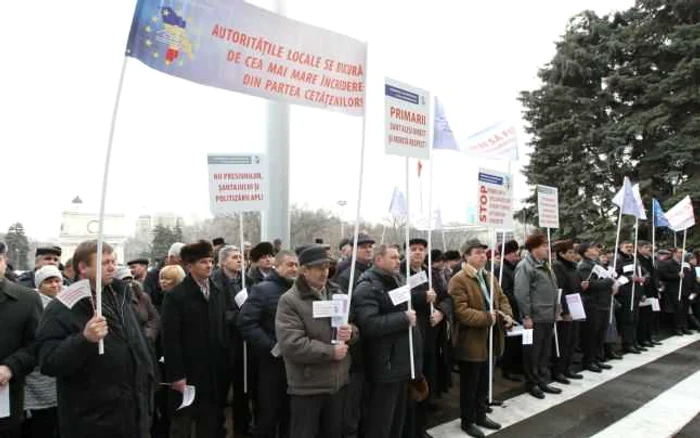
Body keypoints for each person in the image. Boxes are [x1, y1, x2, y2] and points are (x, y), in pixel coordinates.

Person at [36, 240, 155, 438]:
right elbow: (49, 362)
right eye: (105, 262)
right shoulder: (62, 307)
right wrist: (84, 340)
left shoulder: (121, 295)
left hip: (133, 414)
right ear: (83, 267)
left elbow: (136, 346)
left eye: (114, 261)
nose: (112, 267)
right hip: (94, 420)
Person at [275, 245, 355, 438]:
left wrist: (351, 332)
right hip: (308, 385)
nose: (324, 272)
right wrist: (330, 351)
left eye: (327, 267)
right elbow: (291, 343)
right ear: (304, 270)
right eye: (319, 268)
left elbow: (351, 324)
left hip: (337, 382)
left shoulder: (337, 292)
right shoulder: (290, 300)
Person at [161, 240, 231, 438]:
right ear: (189, 266)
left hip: (215, 370)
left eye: (211, 261)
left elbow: (222, 328)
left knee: (212, 421)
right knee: (185, 423)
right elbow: (170, 339)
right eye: (203, 262)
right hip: (190, 370)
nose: (209, 265)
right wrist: (177, 375)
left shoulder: (217, 291)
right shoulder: (176, 296)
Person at [354, 244, 423, 438]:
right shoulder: (368, 287)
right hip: (386, 365)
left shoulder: (398, 280)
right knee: (381, 421)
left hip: (402, 363)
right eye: (393, 257)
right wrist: (403, 319)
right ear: (378, 260)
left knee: (398, 420)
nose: (398, 261)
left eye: (398, 258)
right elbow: (368, 324)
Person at [449, 239, 513, 438]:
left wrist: (506, 315)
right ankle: (467, 420)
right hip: (471, 340)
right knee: (470, 384)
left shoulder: (489, 276)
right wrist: (487, 317)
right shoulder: (459, 280)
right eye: (476, 252)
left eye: (483, 252)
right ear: (466, 256)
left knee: (485, 381)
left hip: (491, 337)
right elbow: (461, 311)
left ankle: (480, 414)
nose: (482, 255)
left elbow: (502, 299)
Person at [239, 250, 299, 438]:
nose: (294, 269)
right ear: (278, 265)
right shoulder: (263, 289)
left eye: (297, 265)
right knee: (269, 415)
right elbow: (246, 323)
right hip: (271, 363)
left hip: (296, 363)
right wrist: (272, 346)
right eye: (290, 265)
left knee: (291, 416)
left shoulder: (300, 290)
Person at [0, 242, 42, 438]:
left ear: (4, 261)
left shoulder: (26, 300)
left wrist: (11, 367)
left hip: (6, 401)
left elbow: (37, 345)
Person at [514, 233, 562, 399]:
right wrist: (526, 316)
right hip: (534, 318)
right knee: (532, 353)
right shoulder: (525, 267)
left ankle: (542, 380)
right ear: (534, 248)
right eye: (544, 246)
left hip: (547, 315)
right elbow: (521, 293)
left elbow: (554, 289)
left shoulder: (545, 265)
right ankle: (532, 383)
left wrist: (557, 310)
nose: (547, 249)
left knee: (544, 351)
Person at [211, 245, 252, 438]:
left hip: (244, 345)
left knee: (242, 392)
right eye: (235, 257)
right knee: (220, 394)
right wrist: (239, 317)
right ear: (223, 261)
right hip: (223, 344)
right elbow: (218, 313)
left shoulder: (248, 281)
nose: (240, 260)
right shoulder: (214, 282)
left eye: (241, 257)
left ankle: (242, 430)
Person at [22, 266, 63, 438]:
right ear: (38, 285)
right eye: (48, 282)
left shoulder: (67, 302)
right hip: (37, 378)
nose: (54, 285)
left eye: (57, 280)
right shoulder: (31, 305)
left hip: (59, 378)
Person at [576, 243, 616, 373]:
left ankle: (597, 358)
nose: (597, 250)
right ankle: (589, 360)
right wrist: (609, 282)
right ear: (586, 252)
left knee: (599, 334)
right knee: (591, 334)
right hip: (593, 304)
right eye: (593, 248)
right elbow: (590, 285)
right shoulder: (584, 267)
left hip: (603, 303)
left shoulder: (596, 265)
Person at [550, 240, 584, 384]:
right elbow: (560, 290)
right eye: (569, 252)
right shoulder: (558, 266)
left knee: (572, 340)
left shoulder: (573, 267)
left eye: (573, 252)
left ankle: (567, 368)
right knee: (563, 341)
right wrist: (564, 311)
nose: (572, 255)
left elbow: (575, 285)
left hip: (575, 305)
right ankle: (558, 370)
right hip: (566, 308)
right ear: (561, 254)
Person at [497, 240, 522, 382]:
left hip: (517, 309)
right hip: (509, 310)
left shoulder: (514, 267)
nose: (516, 256)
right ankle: (507, 369)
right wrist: (519, 299)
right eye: (513, 254)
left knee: (517, 340)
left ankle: (516, 366)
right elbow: (504, 292)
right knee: (510, 342)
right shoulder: (501, 270)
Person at [658, 248, 693, 335]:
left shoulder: (686, 264)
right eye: (680, 252)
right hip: (674, 290)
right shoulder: (667, 263)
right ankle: (677, 328)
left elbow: (690, 276)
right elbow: (663, 276)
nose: (682, 254)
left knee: (685, 309)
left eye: (684, 253)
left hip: (685, 290)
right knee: (677, 309)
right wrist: (676, 276)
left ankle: (684, 326)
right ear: (675, 253)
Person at [145, 242, 185, 311]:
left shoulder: (186, 272)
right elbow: (149, 302)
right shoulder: (153, 275)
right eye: (181, 261)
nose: (184, 264)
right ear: (172, 257)